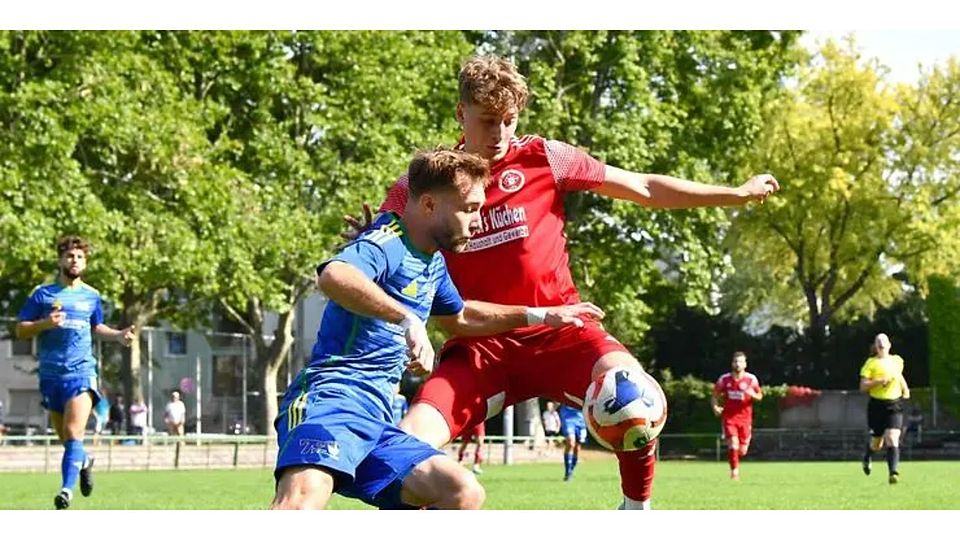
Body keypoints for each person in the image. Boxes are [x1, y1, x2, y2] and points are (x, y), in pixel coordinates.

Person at [354, 54, 779, 509]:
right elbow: (379, 256)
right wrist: (371, 244)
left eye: (509, 121)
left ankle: (636, 509)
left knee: (633, 391)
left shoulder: (546, 157)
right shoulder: (423, 183)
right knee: (403, 446)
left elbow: (644, 187)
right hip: (480, 347)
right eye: (488, 121)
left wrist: (733, 194)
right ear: (461, 114)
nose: (499, 134)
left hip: (562, 333)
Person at [271, 149, 604, 510]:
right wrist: (407, 319)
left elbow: (460, 317)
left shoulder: (432, 262)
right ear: (429, 204)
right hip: (330, 401)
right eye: (470, 208)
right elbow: (335, 275)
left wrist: (539, 315)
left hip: (379, 419)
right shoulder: (388, 241)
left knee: (461, 491)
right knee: (299, 506)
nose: (478, 220)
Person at [15, 235, 135, 509]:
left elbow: (97, 327)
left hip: (81, 372)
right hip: (50, 376)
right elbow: (21, 328)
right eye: (70, 256)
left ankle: (65, 491)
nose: (75, 260)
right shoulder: (42, 294)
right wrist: (45, 323)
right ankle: (84, 461)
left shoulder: (91, 296)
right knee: (68, 441)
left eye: (80, 257)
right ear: (60, 260)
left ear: (85, 263)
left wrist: (118, 335)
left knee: (73, 432)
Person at [859, 333, 910, 484]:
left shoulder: (897, 360)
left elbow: (899, 376)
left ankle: (893, 472)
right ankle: (867, 456)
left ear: (889, 345)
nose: (881, 343)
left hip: (894, 405)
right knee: (877, 444)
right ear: (875, 346)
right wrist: (879, 381)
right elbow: (862, 387)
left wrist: (905, 388)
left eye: (884, 341)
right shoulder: (870, 363)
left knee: (892, 437)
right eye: (878, 342)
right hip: (876, 406)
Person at [711, 351, 763, 480]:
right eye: (735, 361)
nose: (737, 364)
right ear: (732, 363)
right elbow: (714, 396)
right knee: (733, 444)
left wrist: (753, 394)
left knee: (742, 450)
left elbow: (760, 396)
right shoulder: (724, 379)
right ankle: (734, 472)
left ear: (745, 364)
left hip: (745, 419)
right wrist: (715, 407)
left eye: (740, 361)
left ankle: (736, 460)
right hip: (729, 417)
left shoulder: (751, 379)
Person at [557, 403, 588, 481]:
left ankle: (571, 470)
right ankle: (568, 473)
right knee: (571, 442)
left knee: (577, 448)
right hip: (567, 418)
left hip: (581, 419)